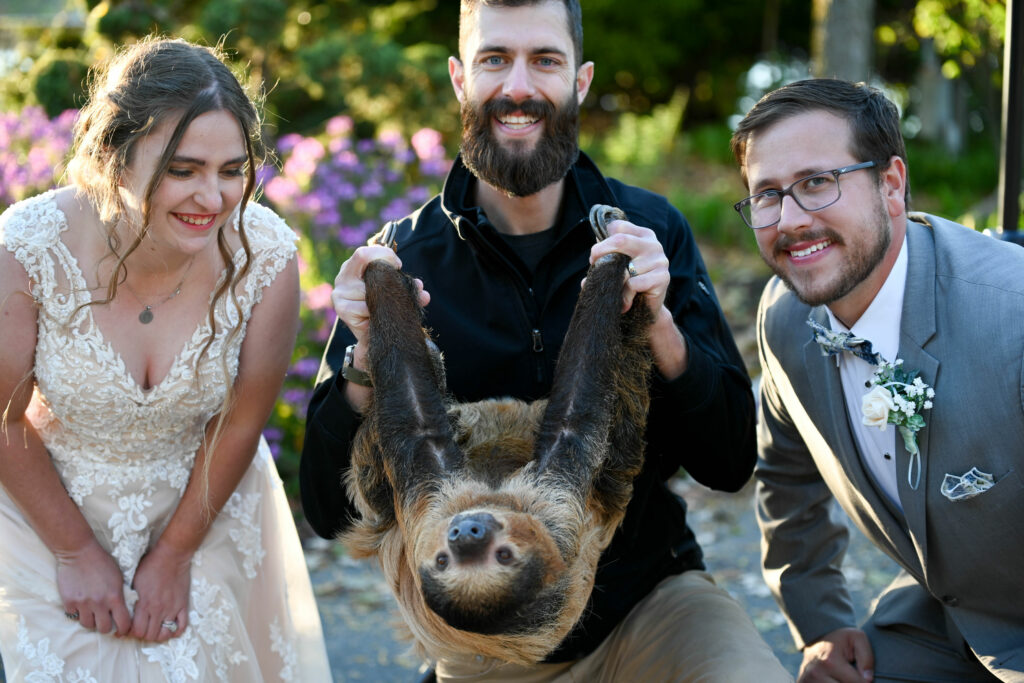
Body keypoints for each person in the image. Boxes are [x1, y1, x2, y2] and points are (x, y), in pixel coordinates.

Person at [300, 1, 792, 680]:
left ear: (580, 81)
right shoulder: (401, 256)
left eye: (545, 60)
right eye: (494, 59)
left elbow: (731, 460)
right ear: (459, 79)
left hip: (648, 607)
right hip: (483, 648)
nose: (519, 87)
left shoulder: (649, 231)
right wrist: (362, 361)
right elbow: (329, 510)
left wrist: (661, 326)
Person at [0, 37, 331, 682]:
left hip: (203, 502)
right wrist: (73, 553)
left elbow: (240, 423)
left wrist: (176, 554)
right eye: (183, 170)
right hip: (45, 503)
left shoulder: (265, 258)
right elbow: (2, 421)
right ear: (113, 158)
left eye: (232, 170)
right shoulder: (26, 249)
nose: (213, 197)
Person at [731, 77, 1024, 682]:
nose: (789, 220)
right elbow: (786, 478)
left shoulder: (1012, 315)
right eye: (766, 195)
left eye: (817, 183)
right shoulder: (786, 317)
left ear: (890, 185)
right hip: (940, 621)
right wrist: (821, 625)